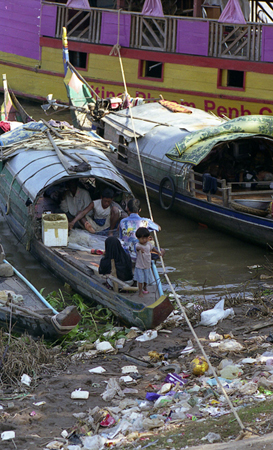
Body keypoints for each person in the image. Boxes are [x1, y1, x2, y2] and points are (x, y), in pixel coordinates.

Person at [134, 227, 162, 297]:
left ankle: (145, 287)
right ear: (138, 238)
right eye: (142, 238)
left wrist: (158, 252)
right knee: (140, 280)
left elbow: (153, 248)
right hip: (140, 266)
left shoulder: (149, 244)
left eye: (146, 238)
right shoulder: (138, 245)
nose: (144, 240)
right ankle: (140, 291)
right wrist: (141, 249)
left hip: (147, 265)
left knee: (146, 279)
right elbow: (137, 248)